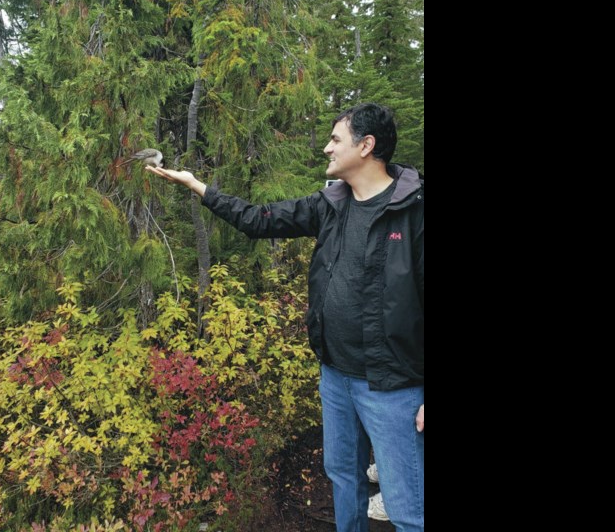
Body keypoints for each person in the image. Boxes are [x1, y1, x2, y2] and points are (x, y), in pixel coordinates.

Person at [146, 103, 424, 532]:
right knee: (344, 479)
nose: (327, 149)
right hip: (335, 375)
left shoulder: (415, 211)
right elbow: (259, 220)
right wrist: (197, 186)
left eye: (336, 139)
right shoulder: (331, 204)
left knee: (407, 507)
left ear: (366, 146)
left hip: (392, 386)